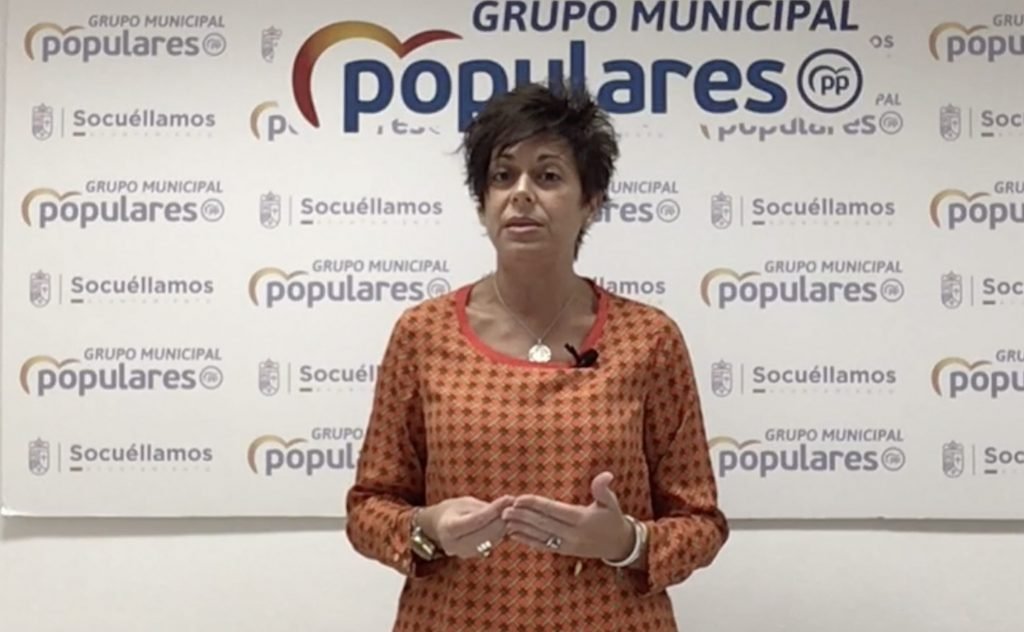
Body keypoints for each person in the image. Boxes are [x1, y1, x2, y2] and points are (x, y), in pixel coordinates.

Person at [345, 81, 729, 631]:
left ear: (591, 201)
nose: (521, 193)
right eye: (503, 176)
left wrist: (626, 542)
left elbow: (701, 521)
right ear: (482, 203)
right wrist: (427, 529)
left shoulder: (648, 339)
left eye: (548, 176)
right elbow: (368, 507)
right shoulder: (422, 335)